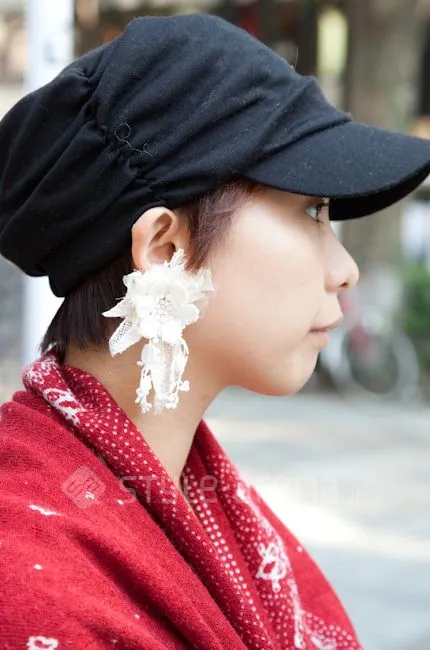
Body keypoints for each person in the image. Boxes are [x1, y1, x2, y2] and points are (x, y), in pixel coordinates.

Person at [0, 14, 429, 650]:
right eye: (313, 211)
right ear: (165, 249)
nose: (345, 270)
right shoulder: (33, 590)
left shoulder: (192, 491)